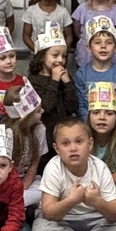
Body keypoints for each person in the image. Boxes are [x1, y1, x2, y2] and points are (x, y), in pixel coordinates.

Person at [27, 20, 78, 158]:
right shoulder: (33, 80)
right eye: (55, 55)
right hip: (44, 137)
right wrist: (55, 80)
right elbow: (45, 107)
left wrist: (67, 83)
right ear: (42, 56)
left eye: (64, 56)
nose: (60, 60)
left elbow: (73, 107)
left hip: (63, 134)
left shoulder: (66, 78)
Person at [74, 16, 116, 121]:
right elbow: (80, 106)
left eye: (109, 43)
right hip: (88, 127)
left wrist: (114, 123)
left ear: (115, 48)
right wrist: (90, 123)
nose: (103, 46)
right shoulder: (81, 74)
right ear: (89, 48)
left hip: (115, 126)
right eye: (97, 42)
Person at [1, 82, 48, 207]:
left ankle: (15, 204)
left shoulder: (40, 129)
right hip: (4, 182)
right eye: (38, 111)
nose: (43, 111)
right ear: (25, 118)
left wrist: (23, 187)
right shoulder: (7, 134)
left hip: (28, 181)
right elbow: (2, 168)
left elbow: (35, 162)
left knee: (43, 192)